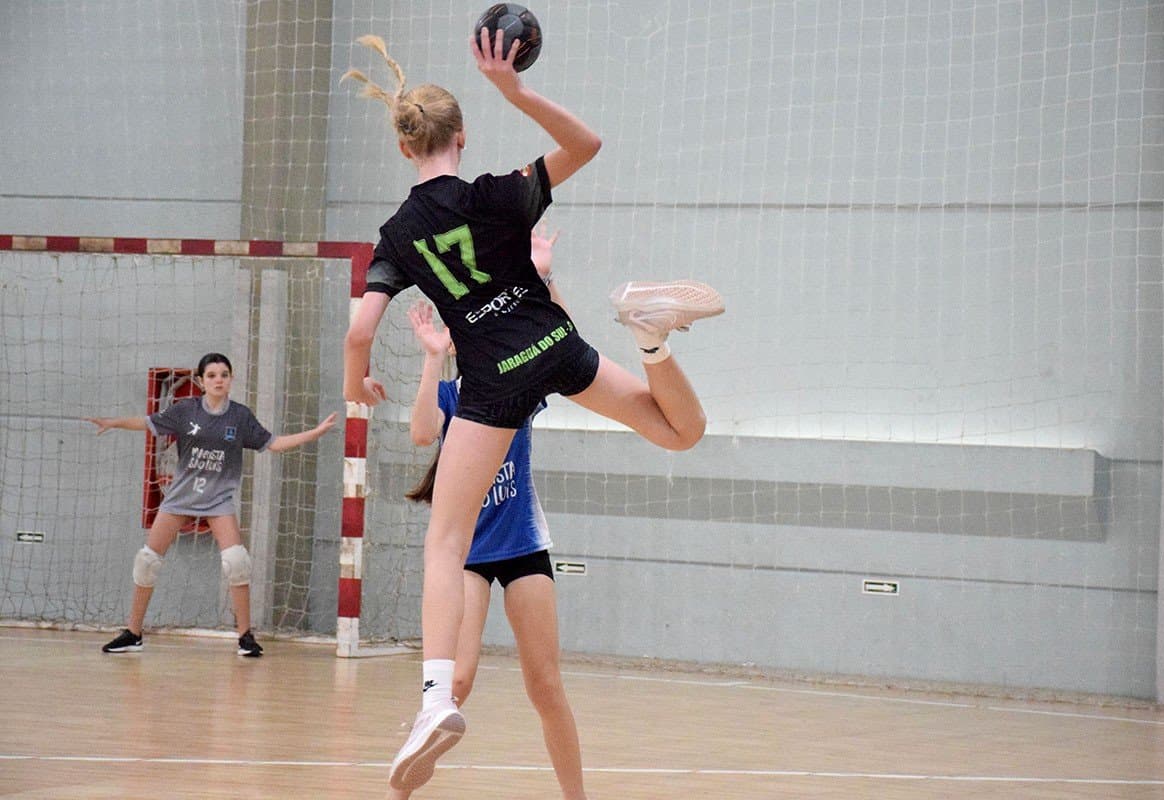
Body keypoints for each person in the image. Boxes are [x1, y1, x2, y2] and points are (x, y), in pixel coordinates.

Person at [341, 30, 723, 794]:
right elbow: (588, 142)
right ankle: (648, 337)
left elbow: (358, 328)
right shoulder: (498, 192)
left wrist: (358, 381)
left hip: (490, 383)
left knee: (445, 540)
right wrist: (514, 91)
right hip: (552, 341)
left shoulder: (397, 235)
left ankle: (431, 702)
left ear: (404, 145)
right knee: (682, 433)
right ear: (461, 136)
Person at [400, 228, 586, 800]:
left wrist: (545, 272)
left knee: (545, 685)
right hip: (470, 554)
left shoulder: (516, 386)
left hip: (524, 545)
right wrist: (433, 360)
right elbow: (421, 432)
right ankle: (400, 787)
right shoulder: (456, 397)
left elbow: (566, 339)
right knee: (456, 680)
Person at [86, 352, 337, 657]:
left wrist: (316, 432)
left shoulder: (240, 416)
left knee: (236, 562)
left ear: (231, 379)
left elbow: (274, 444)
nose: (219, 380)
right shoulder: (185, 410)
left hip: (218, 500)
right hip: (180, 498)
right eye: (212, 375)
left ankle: (245, 636)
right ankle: (133, 632)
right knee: (147, 561)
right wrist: (113, 422)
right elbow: (147, 422)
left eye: (224, 374)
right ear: (201, 381)